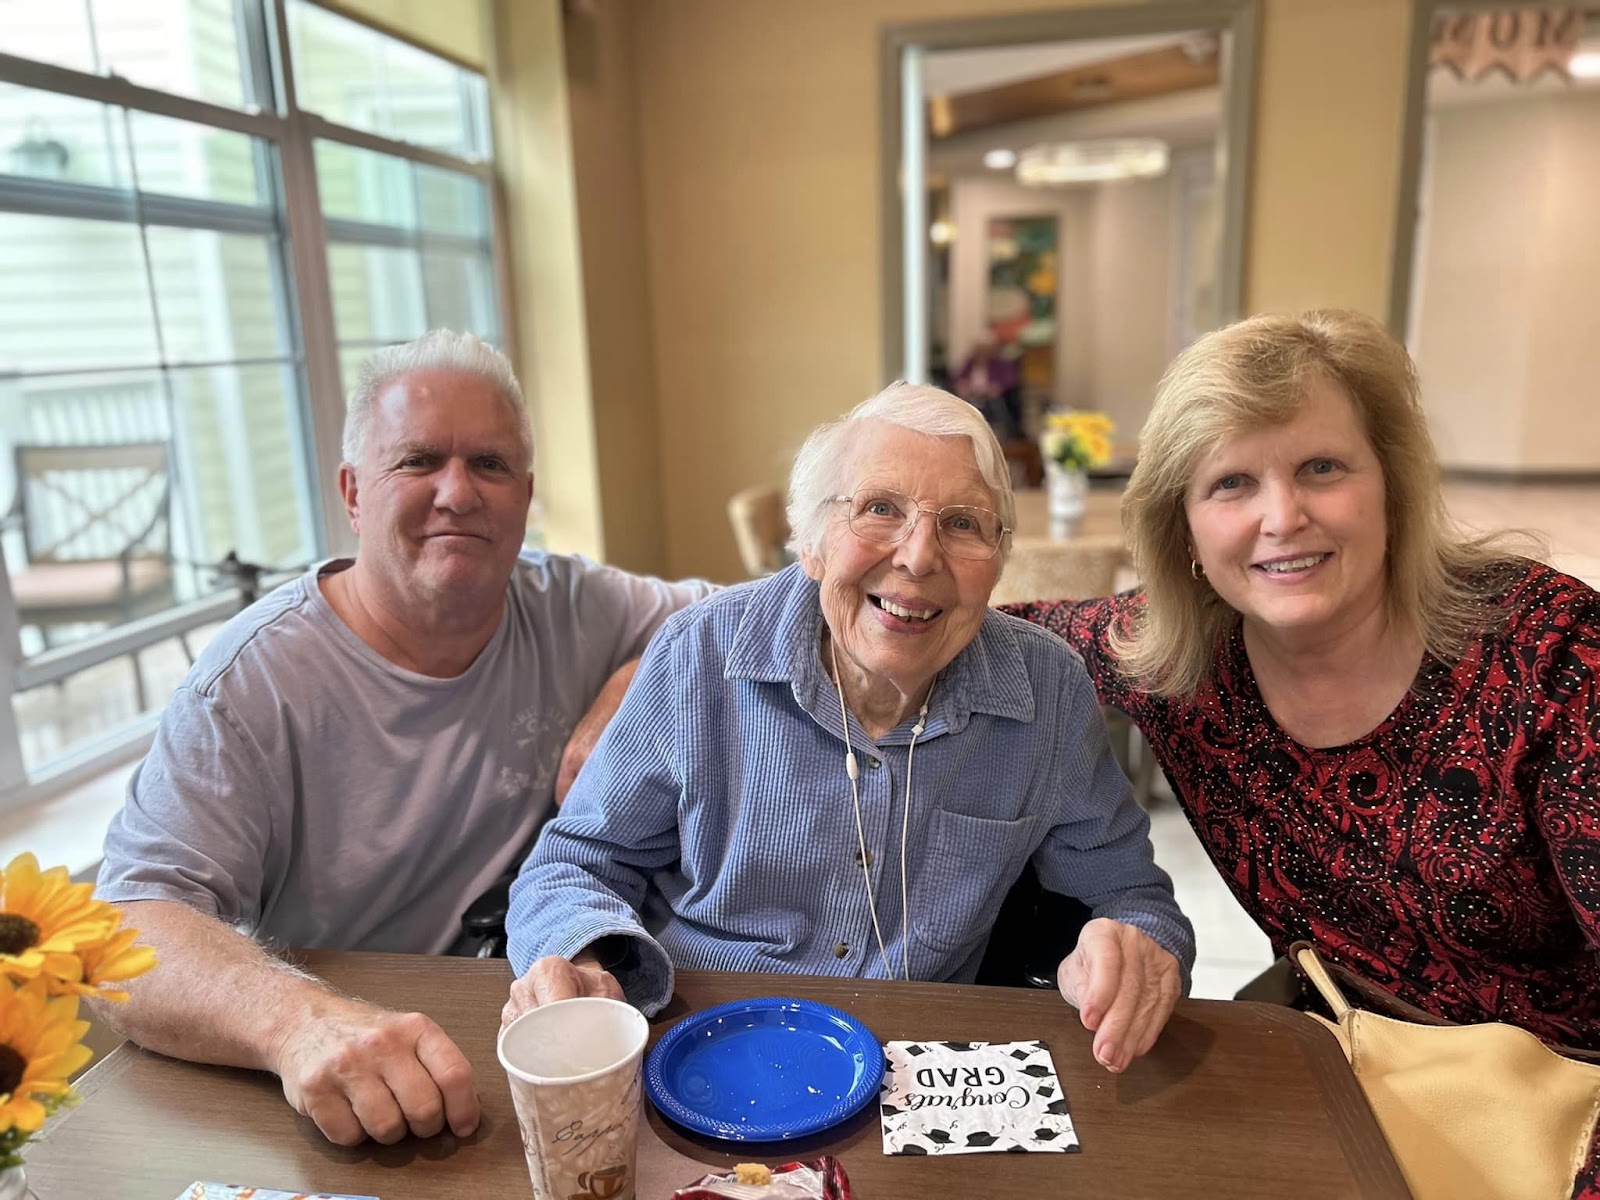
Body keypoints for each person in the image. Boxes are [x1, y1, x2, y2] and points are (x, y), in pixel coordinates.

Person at [94, 330, 711, 1148]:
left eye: (489, 465)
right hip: (361, 1075)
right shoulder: (251, 684)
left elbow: (738, 619)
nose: (458, 493)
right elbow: (121, 935)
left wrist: (631, 682)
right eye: (418, 461)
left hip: (557, 1031)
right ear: (353, 492)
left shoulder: (571, 601)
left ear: (526, 495)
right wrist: (299, 1024)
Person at [503, 382, 1194, 1076]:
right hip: (703, 1046)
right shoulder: (699, 656)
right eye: (880, 509)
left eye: (962, 523)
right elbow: (571, 864)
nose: (919, 557)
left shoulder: (1046, 691)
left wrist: (1130, 949)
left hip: (917, 1075)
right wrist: (582, 960)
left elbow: (1132, 894)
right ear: (810, 543)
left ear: (998, 561)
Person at [1003, 309, 1600, 1046]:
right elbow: (974, 624)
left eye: (1322, 467)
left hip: (1560, 1092)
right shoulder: (1172, 654)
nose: (1282, 517)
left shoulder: (1555, 655)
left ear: (1391, 485)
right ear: (1183, 529)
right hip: (1345, 1057)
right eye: (1232, 483)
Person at [954, 336, 1023, 441]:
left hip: (994, 401)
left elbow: (1010, 380)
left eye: (986, 349)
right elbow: (957, 378)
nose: (983, 353)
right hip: (971, 398)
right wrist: (963, 385)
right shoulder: (970, 363)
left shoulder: (1002, 364)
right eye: (980, 349)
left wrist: (997, 387)